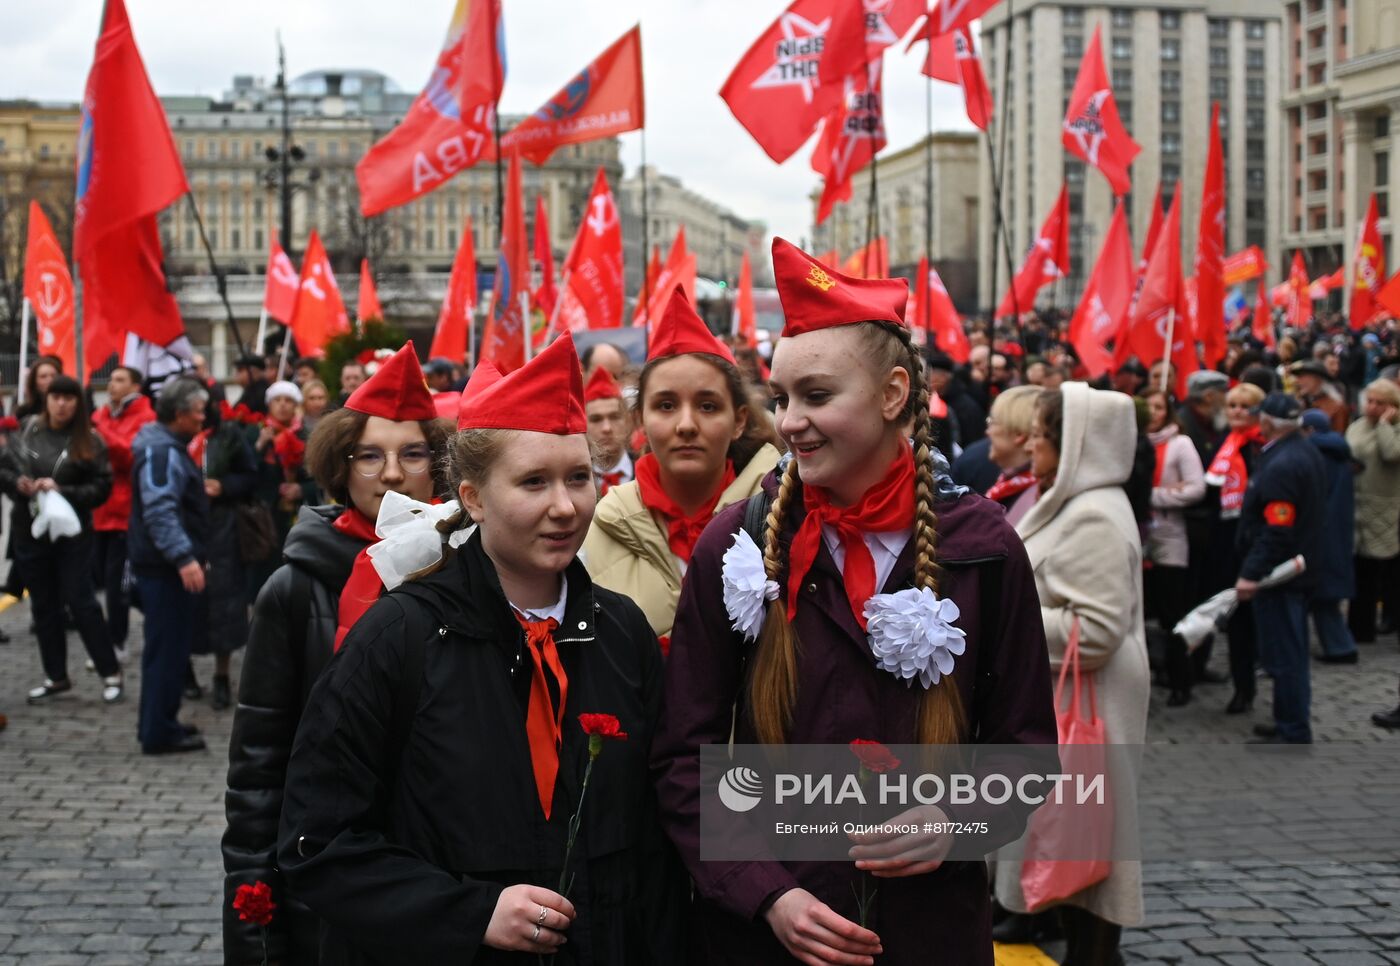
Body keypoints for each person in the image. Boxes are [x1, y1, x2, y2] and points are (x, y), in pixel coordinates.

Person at [652, 239, 1056, 965]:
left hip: (928, 932)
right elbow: (684, 754)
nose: (790, 423)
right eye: (780, 399)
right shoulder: (736, 544)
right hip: (771, 938)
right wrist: (766, 894)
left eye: (816, 397)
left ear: (894, 394)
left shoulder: (984, 547)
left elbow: (1026, 749)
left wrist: (957, 819)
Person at [276, 334, 686, 964]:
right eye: (532, 482)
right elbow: (318, 841)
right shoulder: (397, 637)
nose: (564, 506)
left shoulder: (621, 631)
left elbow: (655, 840)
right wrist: (471, 912)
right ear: (471, 497)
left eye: (579, 478)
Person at [223, 344, 450, 965]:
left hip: (443, 875)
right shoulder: (293, 589)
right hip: (325, 868)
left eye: (412, 454)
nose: (394, 474)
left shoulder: (472, 578)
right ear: (341, 466)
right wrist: (252, 895)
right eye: (370, 456)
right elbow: (258, 762)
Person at [994, 384, 1150, 964]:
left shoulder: (1093, 516)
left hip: (1092, 697)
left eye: (1042, 435)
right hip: (1075, 691)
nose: (1032, 444)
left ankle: (1096, 952)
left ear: (1076, 444)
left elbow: (1097, 630)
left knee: (1090, 825)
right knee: (1074, 825)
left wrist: (1007, 617)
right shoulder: (1075, 502)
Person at [583, 288, 781, 646]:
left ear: (738, 421)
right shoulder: (600, 528)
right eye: (666, 405)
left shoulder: (783, 518)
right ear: (640, 418)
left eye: (707, 406)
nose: (686, 425)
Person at [0, 375, 120, 704]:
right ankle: (56, 676)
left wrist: (63, 490)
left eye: (69, 398)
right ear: (47, 399)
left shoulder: (89, 440)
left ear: (78, 403)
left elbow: (102, 487)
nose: (62, 404)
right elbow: (4, 470)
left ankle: (110, 671)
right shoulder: (27, 430)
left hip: (72, 532)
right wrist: (19, 484)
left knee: (81, 601)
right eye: (56, 397)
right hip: (30, 528)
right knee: (43, 605)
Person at [1235, 392, 1326, 745]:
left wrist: (1251, 572)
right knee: (1290, 649)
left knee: (1285, 651)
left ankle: (1292, 726)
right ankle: (1288, 718)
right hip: (1296, 569)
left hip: (1282, 575)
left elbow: (1277, 528)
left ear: (1269, 423)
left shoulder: (1284, 463)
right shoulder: (1300, 451)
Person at [128, 378, 210, 754]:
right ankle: (159, 732)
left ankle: (159, 721)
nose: (202, 417)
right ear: (179, 415)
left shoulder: (166, 446)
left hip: (162, 566)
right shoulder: (163, 452)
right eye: (197, 411)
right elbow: (160, 509)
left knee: (167, 650)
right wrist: (184, 557)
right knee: (167, 651)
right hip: (164, 570)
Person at [187, 396, 259, 711]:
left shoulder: (228, 434)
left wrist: (224, 486)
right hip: (187, 527)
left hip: (223, 529)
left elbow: (249, 475)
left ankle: (221, 674)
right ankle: (184, 670)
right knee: (186, 601)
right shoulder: (173, 438)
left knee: (226, 603)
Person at [1202, 382, 1267, 713]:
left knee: (1251, 619)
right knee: (1233, 617)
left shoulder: (1262, 447)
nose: (1238, 412)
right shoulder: (1221, 446)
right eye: (1232, 406)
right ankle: (1242, 684)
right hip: (1225, 541)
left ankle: (1251, 682)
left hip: (1254, 541)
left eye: (1245, 406)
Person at [1142, 389, 1206, 707]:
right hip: (1141, 539)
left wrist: (1156, 497)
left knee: (1172, 614)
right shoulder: (1135, 443)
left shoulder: (1180, 443)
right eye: (1148, 407)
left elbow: (1196, 487)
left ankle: (1182, 679)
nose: (1154, 412)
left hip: (1169, 536)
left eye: (1158, 407)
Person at [91, 366, 155, 661]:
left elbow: (131, 455)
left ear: (136, 386)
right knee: (103, 581)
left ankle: (116, 643)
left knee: (118, 584)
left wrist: (99, 434)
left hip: (125, 512)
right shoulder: (102, 415)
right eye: (111, 379)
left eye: (120, 380)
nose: (112, 385)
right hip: (99, 510)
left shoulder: (145, 417)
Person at [1299, 409, 1358, 664]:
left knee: (1319, 595)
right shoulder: (1338, 455)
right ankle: (1339, 645)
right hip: (1336, 534)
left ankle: (1340, 647)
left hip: (1320, 534)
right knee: (1325, 598)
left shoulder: (1314, 456)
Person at [1345, 378, 1400, 644]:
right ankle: (1358, 626)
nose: (1373, 407)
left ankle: (1386, 619)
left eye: (1380, 403)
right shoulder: (1357, 425)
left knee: (1382, 568)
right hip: (1357, 503)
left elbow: (1391, 454)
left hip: (1384, 506)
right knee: (1360, 570)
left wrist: (1384, 425)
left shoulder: (1393, 428)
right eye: (1370, 401)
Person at [983, 385, 1042, 526]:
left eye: (992, 422)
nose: (988, 432)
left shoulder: (1035, 498)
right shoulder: (1009, 487)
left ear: (1018, 434)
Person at [582, 366, 633, 495]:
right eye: (596, 419)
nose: (607, 428)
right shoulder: (575, 479)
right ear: (583, 425)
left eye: (614, 417)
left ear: (627, 421)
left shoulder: (649, 473)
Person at [1290, 360, 1348, 434]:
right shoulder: (1302, 404)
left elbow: (1338, 439)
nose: (1297, 381)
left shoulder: (1336, 408)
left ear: (1317, 379)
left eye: (1302, 376)